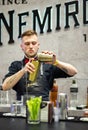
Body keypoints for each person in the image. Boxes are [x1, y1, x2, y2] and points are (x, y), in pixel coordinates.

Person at [2, 30, 77, 101]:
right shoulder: (16, 65)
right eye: (27, 44)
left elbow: (73, 72)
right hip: (22, 108)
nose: (31, 46)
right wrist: (23, 70)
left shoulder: (48, 64)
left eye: (33, 43)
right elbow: (5, 87)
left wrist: (56, 62)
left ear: (38, 45)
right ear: (22, 46)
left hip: (44, 108)